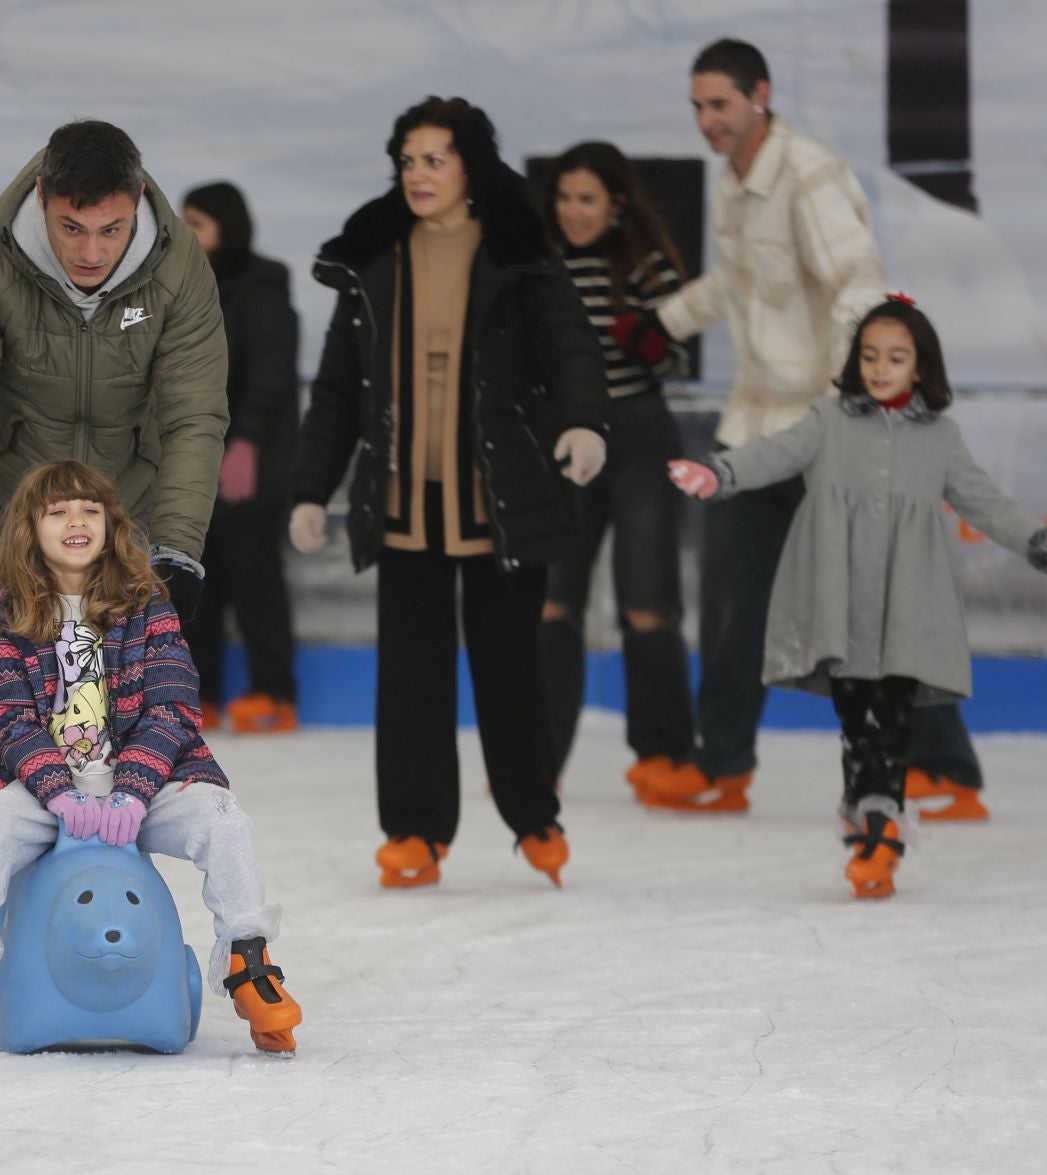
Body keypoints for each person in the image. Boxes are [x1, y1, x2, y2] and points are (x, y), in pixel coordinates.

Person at [641, 37, 993, 819]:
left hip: (825, 430)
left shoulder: (809, 176)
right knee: (731, 602)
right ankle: (722, 765)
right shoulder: (733, 179)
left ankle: (949, 771)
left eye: (721, 105)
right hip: (756, 430)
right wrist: (661, 322)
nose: (708, 121)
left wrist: (854, 403)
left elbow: (857, 287)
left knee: (877, 608)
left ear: (759, 94)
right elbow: (737, 281)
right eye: (698, 107)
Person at [0, 461, 301, 1055]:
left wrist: (136, 787)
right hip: (50, 792)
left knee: (222, 818)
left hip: (147, 787)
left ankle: (249, 960)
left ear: (110, 525)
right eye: (58, 511)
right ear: (30, 528)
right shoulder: (5, 615)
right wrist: (56, 788)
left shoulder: (149, 605)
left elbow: (173, 708)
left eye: (90, 511)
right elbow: (5, 719)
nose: (77, 521)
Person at [668, 296, 1047, 897]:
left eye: (895, 357)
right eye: (869, 355)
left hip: (907, 611)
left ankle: (878, 834)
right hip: (841, 608)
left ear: (919, 367)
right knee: (858, 722)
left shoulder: (941, 441)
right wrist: (721, 474)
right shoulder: (828, 420)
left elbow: (989, 506)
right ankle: (869, 819)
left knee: (888, 724)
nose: (879, 367)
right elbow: (773, 452)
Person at [289, 97, 610, 891]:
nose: (418, 174)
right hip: (402, 506)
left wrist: (584, 424)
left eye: (435, 159)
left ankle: (534, 816)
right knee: (410, 681)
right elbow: (337, 389)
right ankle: (415, 832)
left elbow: (572, 349)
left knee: (511, 672)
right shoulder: (374, 256)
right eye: (407, 160)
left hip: (499, 499)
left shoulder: (516, 248)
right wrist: (308, 488)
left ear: (470, 164)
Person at [0, 121, 228, 627]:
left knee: (127, 706)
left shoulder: (179, 268)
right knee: (17, 705)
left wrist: (177, 548)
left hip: (129, 523)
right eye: (71, 228)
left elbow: (194, 415)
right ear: (42, 196)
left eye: (112, 229)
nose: (91, 254)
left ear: (139, 198)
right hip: (13, 526)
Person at [535, 142, 696, 801]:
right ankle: (539, 758)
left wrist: (647, 337)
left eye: (588, 200)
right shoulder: (541, 265)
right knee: (550, 604)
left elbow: (680, 359)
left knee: (645, 601)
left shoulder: (646, 266)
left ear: (617, 204)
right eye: (565, 198)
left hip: (637, 439)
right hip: (568, 442)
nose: (573, 212)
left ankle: (664, 755)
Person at [180, 182, 301, 733]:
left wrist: (246, 441)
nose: (186, 234)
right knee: (200, 582)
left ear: (228, 227)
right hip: (198, 461)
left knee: (257, 581)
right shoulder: (181, 288)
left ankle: (275, 692)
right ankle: (200, 694)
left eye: (198, 223)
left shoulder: (261, 292)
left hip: (254, 463)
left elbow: (270, 374)